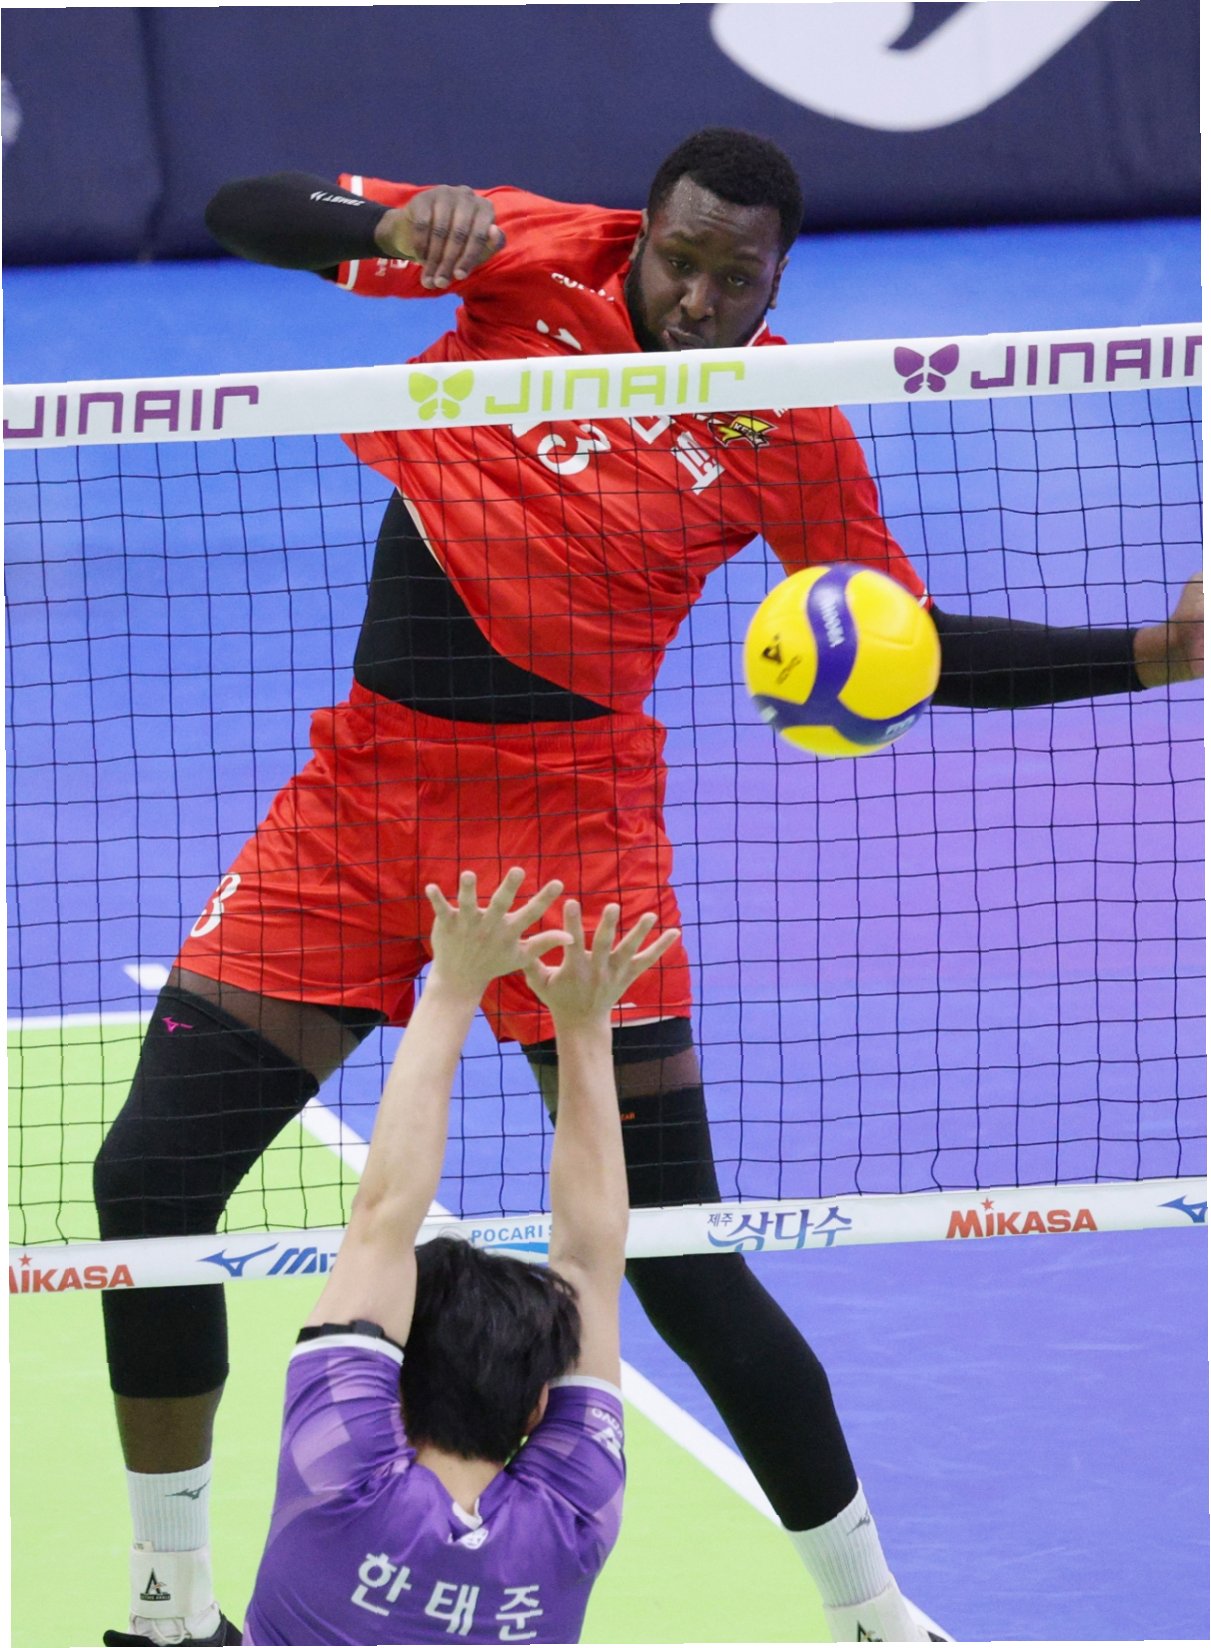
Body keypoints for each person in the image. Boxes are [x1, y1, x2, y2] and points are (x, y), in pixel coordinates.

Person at [95, 127, 1203, 1647]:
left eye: (735, 281)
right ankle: (168, 1608)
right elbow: (241, 208)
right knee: (147, 1187)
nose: (698, 300)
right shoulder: (526, 248)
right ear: (641, 236)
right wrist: (394, 228)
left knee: (678, 1259)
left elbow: (910, 647)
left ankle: (878, 1620)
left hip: (571, 843)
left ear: (777, 280)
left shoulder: (785, 421)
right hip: (360, 804)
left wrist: (1148, 655)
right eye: (679, 263)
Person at [234, 868, 672, 1647]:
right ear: (537, 1407)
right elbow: (588, 1264)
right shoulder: (569, 1525)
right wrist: (581, 1024)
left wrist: (454, 983)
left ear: (391, 1390)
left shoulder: (341, 1483)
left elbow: (385, 1217)